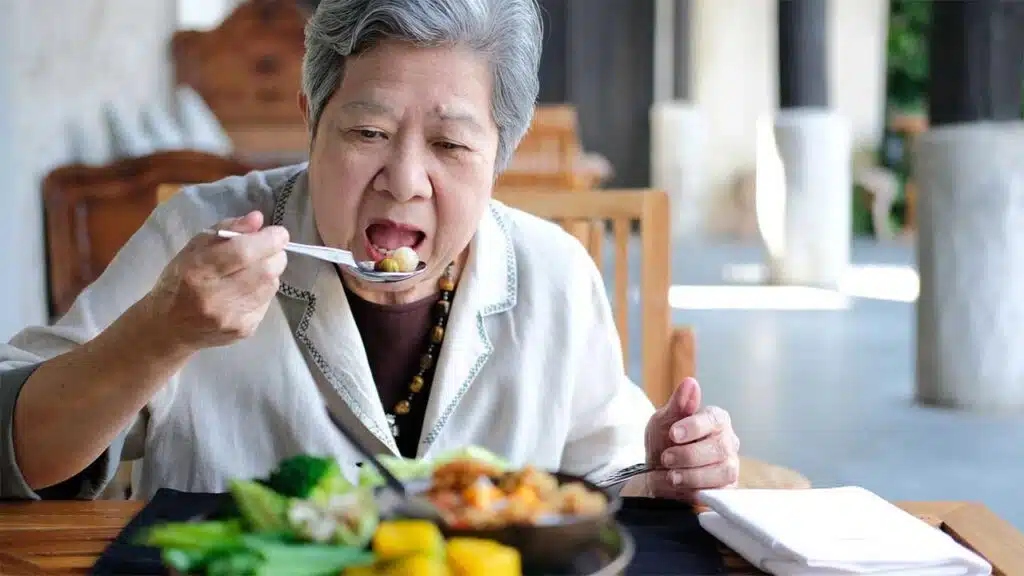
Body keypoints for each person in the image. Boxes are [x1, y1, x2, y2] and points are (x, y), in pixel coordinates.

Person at [0, 0, 739, 502]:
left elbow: (605, 476)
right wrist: (159, 334)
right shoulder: (204, 234)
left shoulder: (553, 273)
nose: (405, 182)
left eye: (451, 144)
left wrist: (664, 472)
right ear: (310, 120)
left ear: (500, 156)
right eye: (367, 134)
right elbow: (18, 453)